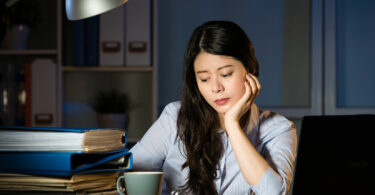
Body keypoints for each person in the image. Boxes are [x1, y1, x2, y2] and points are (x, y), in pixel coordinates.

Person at [130, 20, 297, 195]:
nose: (216, 88)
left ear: (251, 69)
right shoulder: (175, 117)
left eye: (225, 74)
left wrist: (232, 125)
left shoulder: (278, 129)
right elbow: (128, 173)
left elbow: (275, 193)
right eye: (204, 78)